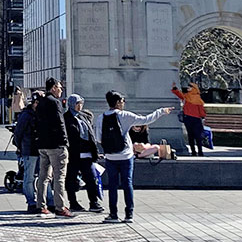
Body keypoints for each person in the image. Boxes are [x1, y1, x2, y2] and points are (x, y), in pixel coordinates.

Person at [94, 90, 175, 223]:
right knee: (127, 184)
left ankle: (113, 215)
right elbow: (145, 120)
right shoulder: (125, 115)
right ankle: (129, 214)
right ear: (118, 102)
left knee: (112, 185)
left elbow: (99, 138)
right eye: (122, 101)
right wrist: (161, 111)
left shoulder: (101, 118)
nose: (123, 103)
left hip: (110, 157)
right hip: (126, 156)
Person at [34, 78, 72, 217]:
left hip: (43, 144)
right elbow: (59, 122)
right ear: (54, 87)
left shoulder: (41, 102)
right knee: (59, 177)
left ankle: (41, 205)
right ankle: (60, 207)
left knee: (43, 176)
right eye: (60, 87)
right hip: (56, 145)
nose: (61, 90)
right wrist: (65, 142)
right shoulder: (54, 102)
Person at [63, 94, 104, 213]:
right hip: (73, 154)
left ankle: (94, 202)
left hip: (87, 154)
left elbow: (90, 134)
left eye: (81, 103)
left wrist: (95, 151)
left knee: (91, 179)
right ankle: (73, 203)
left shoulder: (83, 117)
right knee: (71, 180)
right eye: (77, 104)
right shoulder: (66, 118)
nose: (79, 106)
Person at [10, 90, 42, 213]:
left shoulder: (41, 114)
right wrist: (20, 147)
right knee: (29, 177)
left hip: (40, 149)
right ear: (34, 103)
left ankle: (45, 201)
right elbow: (18, 133)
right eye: (38, 102)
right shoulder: (26, 115)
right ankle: (31, 202)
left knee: (43, 177)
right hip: (29, 149)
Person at [171, 83, 207, 156]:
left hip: (188, 118)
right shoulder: (198, 99)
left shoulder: (187, 97)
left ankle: (194, 151)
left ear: (193, 88)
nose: (188, 88)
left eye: (190, 87)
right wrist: (203, 117)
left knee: (191, 135)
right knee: (197, 136)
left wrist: (175, 89)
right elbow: (201, 111)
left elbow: (180, 95)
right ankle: (200, 151)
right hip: (196, 119)